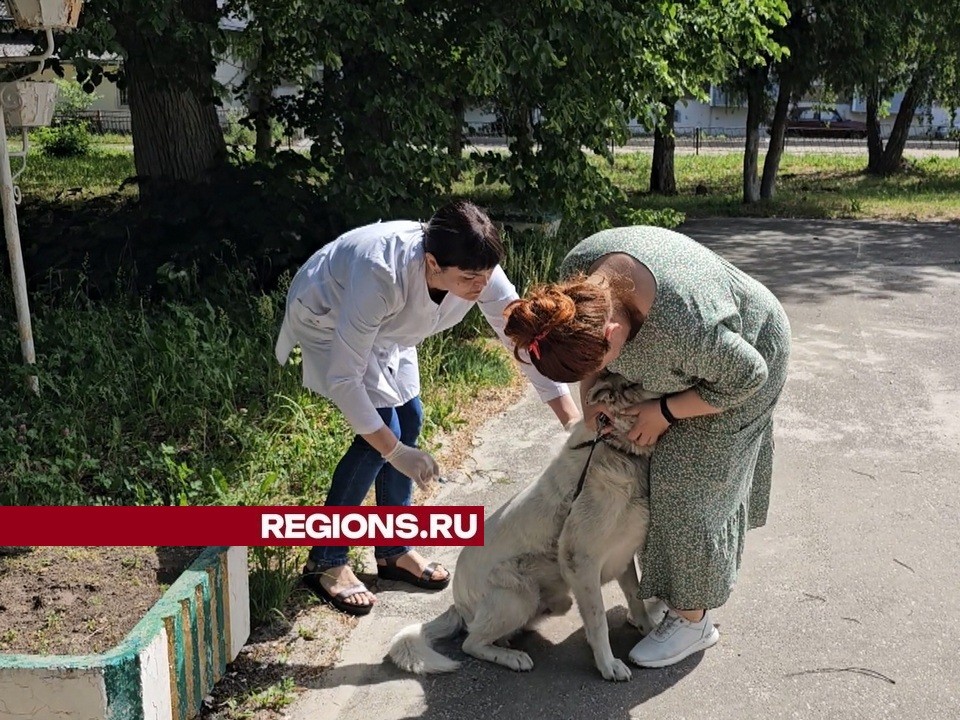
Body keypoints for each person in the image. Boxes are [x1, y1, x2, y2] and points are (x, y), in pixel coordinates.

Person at [503, 225, 791, 668]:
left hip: (746, 362)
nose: (602, 371)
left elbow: (747, 375)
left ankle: (693, 621)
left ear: (613, 331)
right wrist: (590, 403)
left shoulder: (681, 327)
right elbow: (588, 364)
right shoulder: (577, 293)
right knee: (648, 478)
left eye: (602, 362)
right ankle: (667, 590)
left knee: (686, 486)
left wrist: (666, 412)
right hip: (689, 363)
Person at [275, 200, 581, 615]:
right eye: (470, 278)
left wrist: (570, 418)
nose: (481, 286)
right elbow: (343, 379)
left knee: (410, 417)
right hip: (330, 317)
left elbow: (520, 341)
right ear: (433, 263)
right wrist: (395, 452)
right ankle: (326, 561)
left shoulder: (478, 267)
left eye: (487, 276)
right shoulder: (380, 273)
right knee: (379, 436)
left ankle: (392, 550)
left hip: (388, 329)